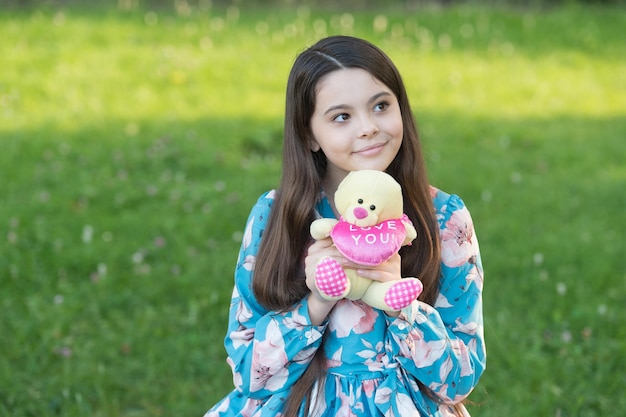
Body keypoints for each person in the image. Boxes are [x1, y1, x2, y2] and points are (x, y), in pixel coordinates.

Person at [204, 35, 485, 417]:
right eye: (342, 117)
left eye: (381, 106)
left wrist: (402, 307)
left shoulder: (444, 220)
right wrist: (317, 302)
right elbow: (248, 375)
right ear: (309, 135)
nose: (368, 127)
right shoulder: (277, 216)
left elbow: (459, 380)